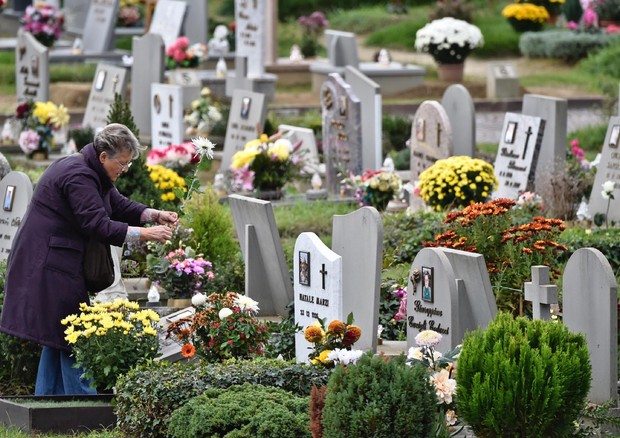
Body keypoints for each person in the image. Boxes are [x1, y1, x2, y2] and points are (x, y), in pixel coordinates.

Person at [0, 123, 178, 395]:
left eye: (128, 164)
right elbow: (97, 224)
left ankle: (46, 399)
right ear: (104, 156)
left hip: (56, 259)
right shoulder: (78, 175)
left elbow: (117, 205)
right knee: (74, 333)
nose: (125, 169)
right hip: (48, 262)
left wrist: (154, 214)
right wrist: (145, 234)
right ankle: (82, 400)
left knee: (59, 332)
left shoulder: (92, 169)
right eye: (123, 163)